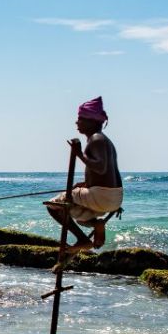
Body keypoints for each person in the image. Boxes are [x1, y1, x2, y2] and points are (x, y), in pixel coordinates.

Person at [45, 96, 122, 258]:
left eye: (80, 119)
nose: (77, 122)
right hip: (113, 197)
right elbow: (108, 173)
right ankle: (97, 224)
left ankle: (82, 240)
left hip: (101, 195)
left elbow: (100, 168)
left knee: (53, 206)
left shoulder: (96, 139)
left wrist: (78, 153)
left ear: (92, 121)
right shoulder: (105, 141)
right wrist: (86, 184)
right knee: (78, 215)